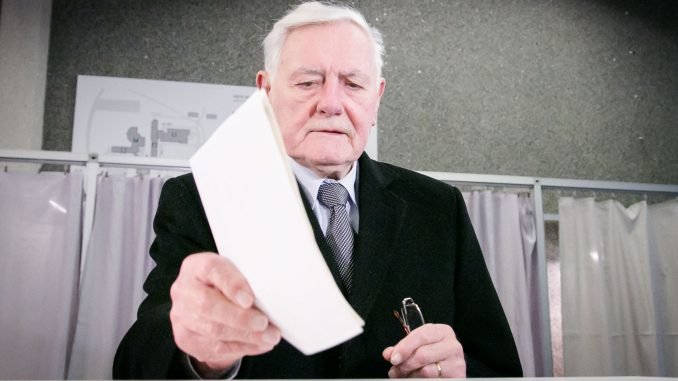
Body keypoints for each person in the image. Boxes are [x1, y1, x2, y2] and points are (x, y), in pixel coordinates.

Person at [113, 2, 522, 379]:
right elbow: (136, 364)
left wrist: (460, 370)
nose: (331, 103)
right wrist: (200, 354)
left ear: (376, 98)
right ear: (266, 92)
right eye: (308, 82)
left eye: (353, 85)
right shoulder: (202, 197)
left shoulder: (437, 208)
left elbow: (502, 368)